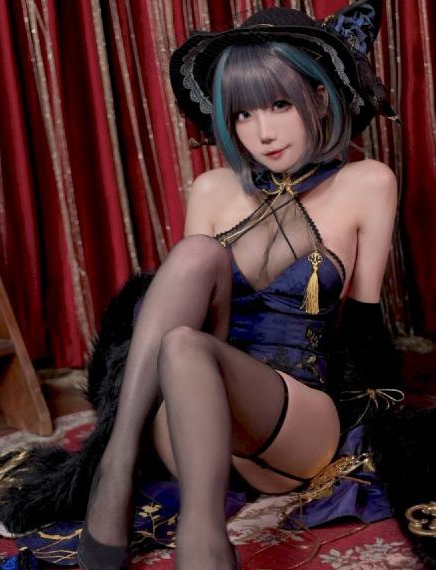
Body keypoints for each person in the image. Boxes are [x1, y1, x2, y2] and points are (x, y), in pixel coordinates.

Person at [76, 2, 401, 569]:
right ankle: (116, 463)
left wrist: (380, 436)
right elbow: (182, 319)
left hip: (294, 424)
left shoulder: (367, 183)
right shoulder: (211, 188)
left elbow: (365, 328)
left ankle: (201, 542)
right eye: (243, 113)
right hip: (194, 422)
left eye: (279, 105)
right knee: (193, 273)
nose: (262, 132)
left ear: (319, 97)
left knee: (185, 345)